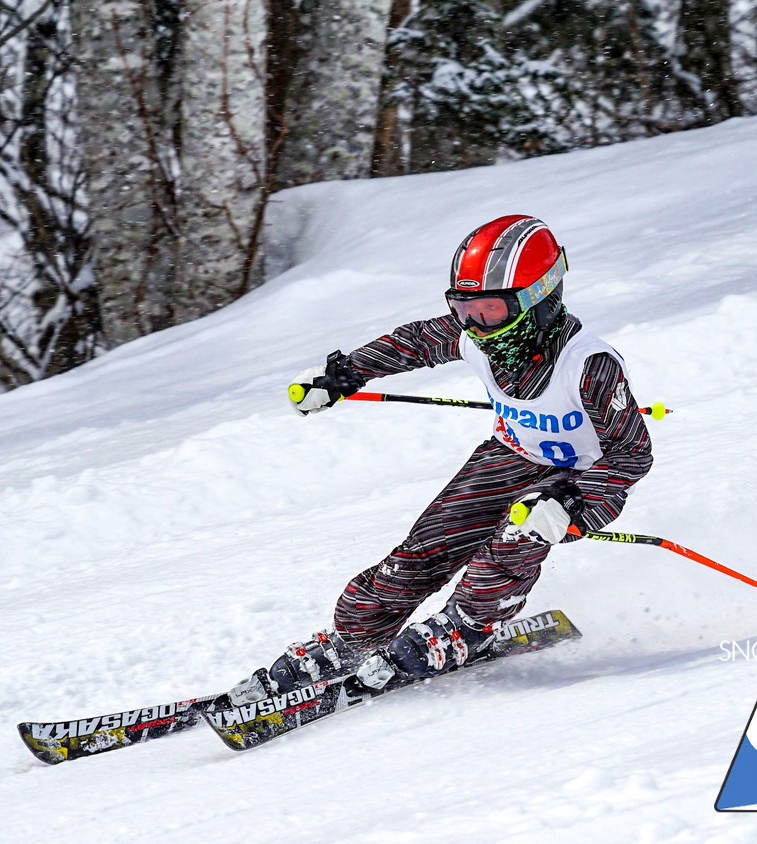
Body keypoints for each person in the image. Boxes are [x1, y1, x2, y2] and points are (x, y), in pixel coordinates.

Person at [240, 215, 653, 699]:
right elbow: (414, 342)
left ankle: (469, 626)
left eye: (491, 310)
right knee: (420, 554)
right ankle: (353, 640)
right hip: (508, 457)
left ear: (540, 297)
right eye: (464, 309)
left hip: (586, 481)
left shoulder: (588, 364)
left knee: (518, 534)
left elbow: (631, 454)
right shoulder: (472, 335)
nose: (476, 324)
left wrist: (567, 503)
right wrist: (343, 373)